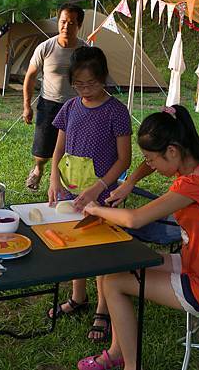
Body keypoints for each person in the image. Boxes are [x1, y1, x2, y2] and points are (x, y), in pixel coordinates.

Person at [77, 105, 199, 370]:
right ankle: (117, 353)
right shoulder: (197, 163)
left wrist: (95, 209)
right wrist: (131, 181)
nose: (150, 165)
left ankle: (128, 364)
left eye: (151, 159)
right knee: (116, 274)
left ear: (172, 151)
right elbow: (153, 165)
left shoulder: (193, 183)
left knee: (114, 284)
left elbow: (135, 219)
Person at [47, 46, 132, 343]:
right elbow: (58, 148)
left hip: (104, 193)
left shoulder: (116, 111)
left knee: (99, 251)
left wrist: (99, 186)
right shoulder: (70, 107)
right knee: (75, 243)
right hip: (72, 189)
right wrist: (53, 177)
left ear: (104, 78)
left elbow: (124, 159)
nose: (85, 90)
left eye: (91, 84)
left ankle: (102, 309)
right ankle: (78, 296)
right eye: (79, 85)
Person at [22, 3, 87, 191]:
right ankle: (38, 169)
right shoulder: (45, 47)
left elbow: (94, 78)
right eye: (63, 21)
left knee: (72, 148)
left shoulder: (84, 50)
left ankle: (62, 180)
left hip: (76, 105)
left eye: (72, 23)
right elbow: (31, 76)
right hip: (49, 104)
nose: (66, 26)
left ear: (79, 25)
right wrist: (27, 106)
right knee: (42, 150)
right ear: (58, 22)